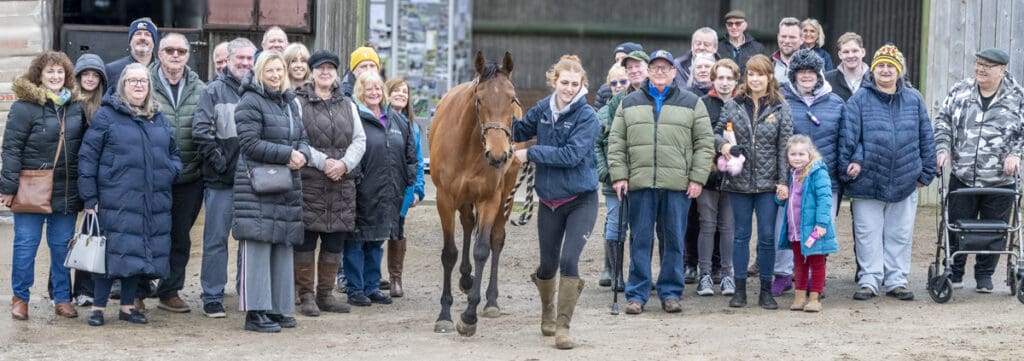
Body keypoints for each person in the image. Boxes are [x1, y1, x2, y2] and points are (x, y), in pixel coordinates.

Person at [607, 49, 715, 315]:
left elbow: (704, 144)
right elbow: (616, 141)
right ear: (648, 71)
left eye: (665, 68)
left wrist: (697, 178)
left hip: (677, 185)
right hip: (641, 183)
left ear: (673, 72)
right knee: (640, 239)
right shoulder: (629, 102)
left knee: (674, 241)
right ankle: (637, 294)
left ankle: (670, 292)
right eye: (654, 67)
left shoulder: (692, 102)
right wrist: (620, 175)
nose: (659, 72)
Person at [78, 63, 182, 326]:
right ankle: (98, 309)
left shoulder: (157, 117)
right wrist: (90, 198)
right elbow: (88, 158)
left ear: (149, 87)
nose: (138, 85)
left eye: (143, 81)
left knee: (136, 252)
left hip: (150, 198)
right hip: (115, 198)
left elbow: (174, 154)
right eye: (133, 81)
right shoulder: (106, 115)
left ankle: (127, 307)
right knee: (110, 252)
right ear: (122, 85)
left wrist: (171, 171)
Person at [514, 54, 598, 350]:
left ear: (582, 85)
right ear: (554, 81)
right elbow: (518, 130)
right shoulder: (541, 110)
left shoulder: (587, 117)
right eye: (564, 83)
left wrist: (531, 153)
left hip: (580, 200)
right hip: (549, 201)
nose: (569, 88)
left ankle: (563, 326)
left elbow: (570, 155)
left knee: (568, 260)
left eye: (575, 84)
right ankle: (547, 311)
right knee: (547, 266)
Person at [840, 44, 936, 302]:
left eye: (890, 66)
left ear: (899, 71)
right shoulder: (859, 99)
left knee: (900, 233)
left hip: (905, 179)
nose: (885, 70)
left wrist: (925, 173)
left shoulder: (914, 99)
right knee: (867, 233)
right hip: (867, 181)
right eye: (880, 65)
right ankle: (870, 279)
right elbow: (848, 137)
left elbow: (926, 136)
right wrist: (847, 170)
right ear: (872, 70)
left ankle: (896, 280)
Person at [2, 51, 87, 320]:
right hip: (31, 186)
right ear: (39, 75)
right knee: (26, 245)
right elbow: (11, 148)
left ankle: (62, 297)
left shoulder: (75, 106)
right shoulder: (24, 107)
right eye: (50, 71)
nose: (55, 76)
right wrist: (7, 186)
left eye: (60, 72)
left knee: (62, 246)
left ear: (67, 76)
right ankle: (20, 298)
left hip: (65, 189)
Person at [934, 48, 1024, 292]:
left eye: (988, 66)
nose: (980, 69)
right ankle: (956, 270)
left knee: (996, 229)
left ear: (1002, 70)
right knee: (957, 225)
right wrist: (942, 148)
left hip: (1000, 180)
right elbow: (942, 121)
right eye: (978, 64)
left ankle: (985, 275)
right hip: (963, 176)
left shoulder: (1018, 96)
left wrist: (1016, 154)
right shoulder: (960, 91)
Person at [233, 51, 310, 332]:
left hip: (285, 184)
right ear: (259, 72)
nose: (276, 75)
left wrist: (301, 152)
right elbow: (249, 144)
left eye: (280, 70)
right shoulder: (250, 101)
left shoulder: (289, 102)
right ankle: (255, 313)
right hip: (257, 186)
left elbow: (303, 136)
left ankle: (277, 308)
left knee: (281, 246)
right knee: (258, 247)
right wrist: (287, 154)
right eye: (270, 70)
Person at [717, 54, 793, 310]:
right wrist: (725, 146)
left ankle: (765, 290)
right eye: (751, 74)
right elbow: (716, 135)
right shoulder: (732, 105)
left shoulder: (782, 107)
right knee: (740, 235)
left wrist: (783, 181)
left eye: (760, 74)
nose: (755, 79)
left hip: (768, 184)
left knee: (768, 237)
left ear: (770, 76)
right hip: (738, 183)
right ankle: (739, 290)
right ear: (745, 77)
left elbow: (785, 147)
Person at [293, 50, 365, 316]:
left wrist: (345, 164)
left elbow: (360, 140)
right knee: (307, 240)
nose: (325, 72)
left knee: (335, 240)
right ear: (312, 72)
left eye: (330, 68)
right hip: (310, 180)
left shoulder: (348, 104)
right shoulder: (298, 102)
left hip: (341, 183)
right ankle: (306, 295)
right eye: (320, 68)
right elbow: (297, 138)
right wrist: (325, 163)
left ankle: (326, 294)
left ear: (336, 73)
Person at [192, 37, 257, 318]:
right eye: (239, 58)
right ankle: (213, 295)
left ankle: (247, 292)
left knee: (250, 240)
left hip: (254, 182)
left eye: (248, 59)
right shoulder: (213, 91)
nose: (244, 63)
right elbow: (201, 131)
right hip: (222, 181)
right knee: (216, 240)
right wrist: (220, 163)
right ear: (228, 60)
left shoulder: (259, 90)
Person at [773, 49, 845, 297]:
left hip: (825, 179)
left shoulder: (835, 103)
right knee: (787, 227)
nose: (806, 76)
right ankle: (783, 274)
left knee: (820, 227)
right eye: (801, 72)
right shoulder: (782, 100)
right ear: (793, 75)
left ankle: (815, 280)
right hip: (791, 179)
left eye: (811, 72)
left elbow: (844, 140)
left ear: (819, 74)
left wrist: (841, 171)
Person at [342, 71, 415, 307]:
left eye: (377, 88)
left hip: (389, 192)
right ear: (360, 93)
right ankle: (355, 288)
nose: (373, 93)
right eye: (368, 89)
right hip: (362, 191)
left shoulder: (397, 120)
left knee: (377, 241)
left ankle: (372, 286)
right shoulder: (355, 117)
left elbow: (410, 155)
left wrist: (408, 182)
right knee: (356, 241)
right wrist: (356, 182)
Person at [148, 32, 207, 314]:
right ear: (159, 54)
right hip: (151, 178)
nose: (175, 55)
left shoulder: (201, 89)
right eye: (169, 50)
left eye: (180, 51)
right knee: (146, 233)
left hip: (188, 177)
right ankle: (137, 288)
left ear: (187, 55)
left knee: (180, 237)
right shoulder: (141, 82)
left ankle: (170, 291)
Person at [695, 58, 742, 296]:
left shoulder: (742, 104)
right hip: (708, 176)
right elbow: (700, 136)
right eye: (720, 78)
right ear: (713, 79)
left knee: (728, 226)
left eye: (729, 78)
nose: (724, 83)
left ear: (736, 80)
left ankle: (726, 274)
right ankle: (704, 274)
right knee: (707, 224)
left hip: (734, 177)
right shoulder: (702, 104)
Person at [776, 135, 837, 312]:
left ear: (810, 154)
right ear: (788, 156)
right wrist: (780, 197)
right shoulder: (790, 174)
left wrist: (821, 224)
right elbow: (787, 202)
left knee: (817, 263)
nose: (797, 157)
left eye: (801, 154)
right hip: (795, 230)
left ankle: (815, 298)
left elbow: (825, 199)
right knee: (799, 263)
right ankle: (799, 296)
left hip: (814, 230)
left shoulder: (818, 172)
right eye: (793, 154)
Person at [68, 53, 108, 308]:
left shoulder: (106, 107)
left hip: (96, 179)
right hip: (70, 178)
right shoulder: (69, 104)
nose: (90, 79)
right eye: (86, 74)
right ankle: (58, 290)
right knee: (65, 237)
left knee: (90, 235)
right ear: (78, 77)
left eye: (95, 75)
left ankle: (85, 289)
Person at [384, 77, 424, 298]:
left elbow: (416, 160)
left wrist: (417, 189)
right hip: (381, 186)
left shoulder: (413, 127)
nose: (401, 94)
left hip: (402, 186)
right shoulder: (380, 119)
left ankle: (395, 278)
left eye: (405, 92)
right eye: (396, 91)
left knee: (398, 230)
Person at [595, 63, 629, 290]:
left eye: (622, 82)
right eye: (613, 83)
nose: (618, 86)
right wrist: (605, 173)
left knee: (640, 227)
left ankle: (638, 272)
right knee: (615, 224)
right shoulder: (602, 114)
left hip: (637, 180)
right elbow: (596, 146)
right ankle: (614, 272)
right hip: (611, 181)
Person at [105, 17, 158, 91]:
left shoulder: (163, 70)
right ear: (130, 40)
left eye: (147, 34)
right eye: (138, 34)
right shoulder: (111, 70)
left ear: (154, 41)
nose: (142, 38)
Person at [595, 42, 643, 109]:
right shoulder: (604, 90)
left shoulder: (646, 87)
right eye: (617, 60)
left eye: (623, 59)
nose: (619, 63)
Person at [824, 32, 869, 101]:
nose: (851, 55)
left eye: (855, 51)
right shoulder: (826, 79)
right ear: (840, 55)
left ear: (863, 52)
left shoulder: (874, 79)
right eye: (846, 52)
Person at [772, 17, 802, 86]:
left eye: (792, 37)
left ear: (802, 39)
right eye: (783, 36)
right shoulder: (768, 65)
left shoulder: (813, 67)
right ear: (778, 37)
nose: (787, 41)